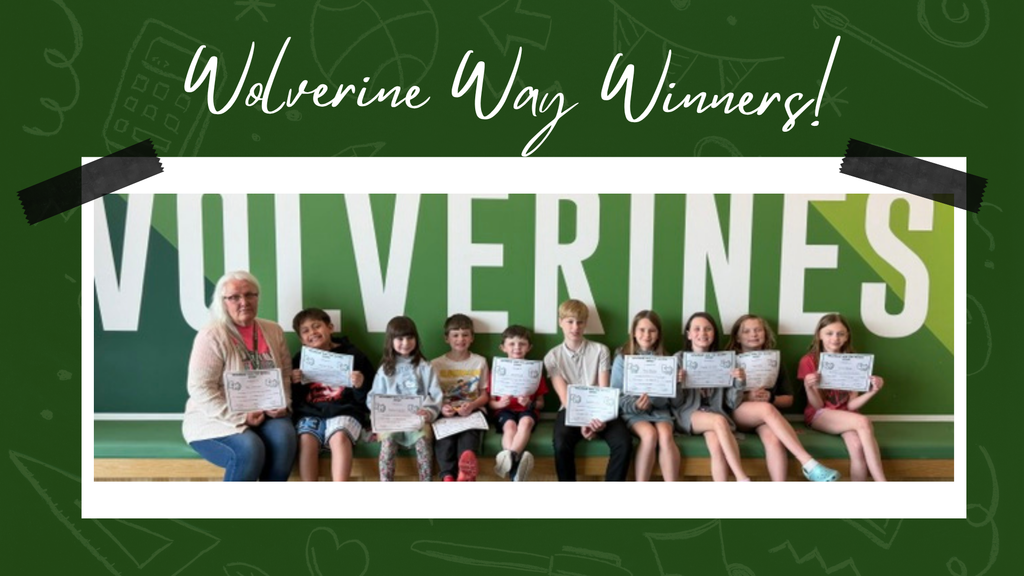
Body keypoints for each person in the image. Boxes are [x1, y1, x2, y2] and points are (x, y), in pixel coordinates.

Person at [182, 271, 297, 481]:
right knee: (250, 449)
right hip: (216, 417)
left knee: (285, 438)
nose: (244, 302)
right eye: (234, 297)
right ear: (222, 302)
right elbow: (200, 389)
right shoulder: (211, 335)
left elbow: (286, 374)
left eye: (250, 295)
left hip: (267, 412)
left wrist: (283, 402)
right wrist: (241, 417)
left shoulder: (273, 330)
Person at [726, 315, 840, 482]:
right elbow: (721, 399)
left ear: (765, 333)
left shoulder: (774, 361)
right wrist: (746, 396)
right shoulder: (728, 361)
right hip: (737, 414)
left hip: (766, 418)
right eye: (747, 331)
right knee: (766, 409)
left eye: (758, 330)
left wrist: (771, 398)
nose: (753, 334)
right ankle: (808, 463)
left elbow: (788, 400)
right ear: (737, 337)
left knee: (774, 440)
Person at [545, 299, 633, 481]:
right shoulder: (552, 357)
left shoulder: (600, 350)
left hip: (601, 409)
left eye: (580, 322)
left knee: (623, 443)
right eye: (570, 321)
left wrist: (599, 420)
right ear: (560, 322)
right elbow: (564, 397)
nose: (575, 327)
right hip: (570, 410)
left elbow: (604, 389)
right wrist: (583, 421)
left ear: (586, 323)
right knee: (561, 443)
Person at [799, 313, 887, 482]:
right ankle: (881, 481)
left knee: (857, 447)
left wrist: (872, 391)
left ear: (847, 337)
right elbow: (817, 406)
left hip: (846, 416)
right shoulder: (809, 361)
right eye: (829, 333)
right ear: (819, 335)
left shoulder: (854, 361)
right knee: (863, 421)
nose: (835, 338)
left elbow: (852, 405)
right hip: (820, 415)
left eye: (840, 334)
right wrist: (808, 387)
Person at [290, 308, 375, 482]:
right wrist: (294, 382)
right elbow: (295, 399)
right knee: (306, 439)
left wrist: (360, 385)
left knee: (339, 437)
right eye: (305, 331)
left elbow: (369, 399)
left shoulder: (354, 356)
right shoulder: (300, 359)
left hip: (345, 411)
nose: (312, 332)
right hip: (311, 412)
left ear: (330, 327)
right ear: (301, 340)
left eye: (317, 326)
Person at [673, 312, 751, 482]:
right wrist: (677, 383)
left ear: (714, 333)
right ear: (689, 334)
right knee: (719, 421)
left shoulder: (724, 359)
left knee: (716, 446)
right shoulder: (678, 359)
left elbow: (731, 403)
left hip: (715, 413)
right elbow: (676, 403)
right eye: (697, 329)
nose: (703, 333)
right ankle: (742, 478)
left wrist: (739, 382)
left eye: (708, 329)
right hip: (687, 415)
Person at [367, 316, 443, 482]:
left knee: (424, 444)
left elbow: (435, 394)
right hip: (392, 421)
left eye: (410, 337)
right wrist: (379, 412)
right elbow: (374, 397)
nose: (405, 342)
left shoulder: (424, 366)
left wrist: (428, 411)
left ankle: (426, 481)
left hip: (417, 420)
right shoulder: (385, 370)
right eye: (399, 338)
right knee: (387, 446)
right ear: (390, 341)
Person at [610, 310, 681, 481]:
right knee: (649, 435)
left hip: (660, 410)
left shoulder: (666, 359)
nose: (646, 335)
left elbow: (673, 401)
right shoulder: (622, 356)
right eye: (641, 330)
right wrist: (635, 405)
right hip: (632, 411)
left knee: (665, 435)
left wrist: (677, 383)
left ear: (658, 334)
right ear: (633, 332)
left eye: (652, 331)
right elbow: (616, 394)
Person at [431, 314, 490, 481]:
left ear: (472, 338)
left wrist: (471, 406)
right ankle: (448, 476)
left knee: (469, 435)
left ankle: (466, 474)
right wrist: (442, 406)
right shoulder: (436, 364)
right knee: (445, 439)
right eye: (455, 335)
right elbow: (433, 395)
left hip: (472, 410)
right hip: (446, 411)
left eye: (465, 334)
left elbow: (485, 395)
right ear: (446, 338)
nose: (460, 339)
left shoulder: (480, 361)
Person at [488, 325, 548, 481]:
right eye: (512, 344)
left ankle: (510, 458)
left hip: (526, 410)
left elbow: (541, 403)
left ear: (529, 347)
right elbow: (491, 403)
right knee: (510, 427)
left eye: (522, 344)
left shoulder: (534, 371)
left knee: (526, 422)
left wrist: (530, 403)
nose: (517, 348)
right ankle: (515, 468)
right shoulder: (497, 371)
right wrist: (500, 404)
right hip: (504, 411)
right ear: (503, 347)